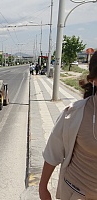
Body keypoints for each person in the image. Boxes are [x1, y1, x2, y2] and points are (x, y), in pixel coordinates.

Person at [39, 51, 97, 199]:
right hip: (76, 193)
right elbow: (53, 151)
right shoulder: (75, 113)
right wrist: (43, 187)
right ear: (94, 80)